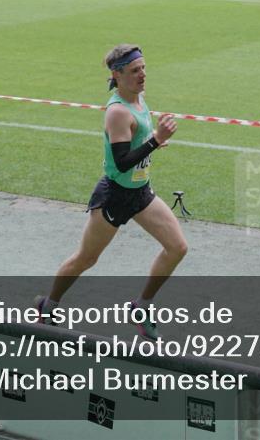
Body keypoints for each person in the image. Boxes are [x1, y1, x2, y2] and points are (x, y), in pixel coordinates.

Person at [35, 44, 188, 338]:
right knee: (86, 259)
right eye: (134, 70)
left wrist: (151, 141)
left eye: (143, 68)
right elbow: (120, 163)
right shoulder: (117, 112)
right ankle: (48, 304)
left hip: (140, 192)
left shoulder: (139, 99)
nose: (142, 74)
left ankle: (141, 307)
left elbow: (136, 144)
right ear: (117, 75)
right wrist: (155, 140)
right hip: (115, 195)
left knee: (177, 247)